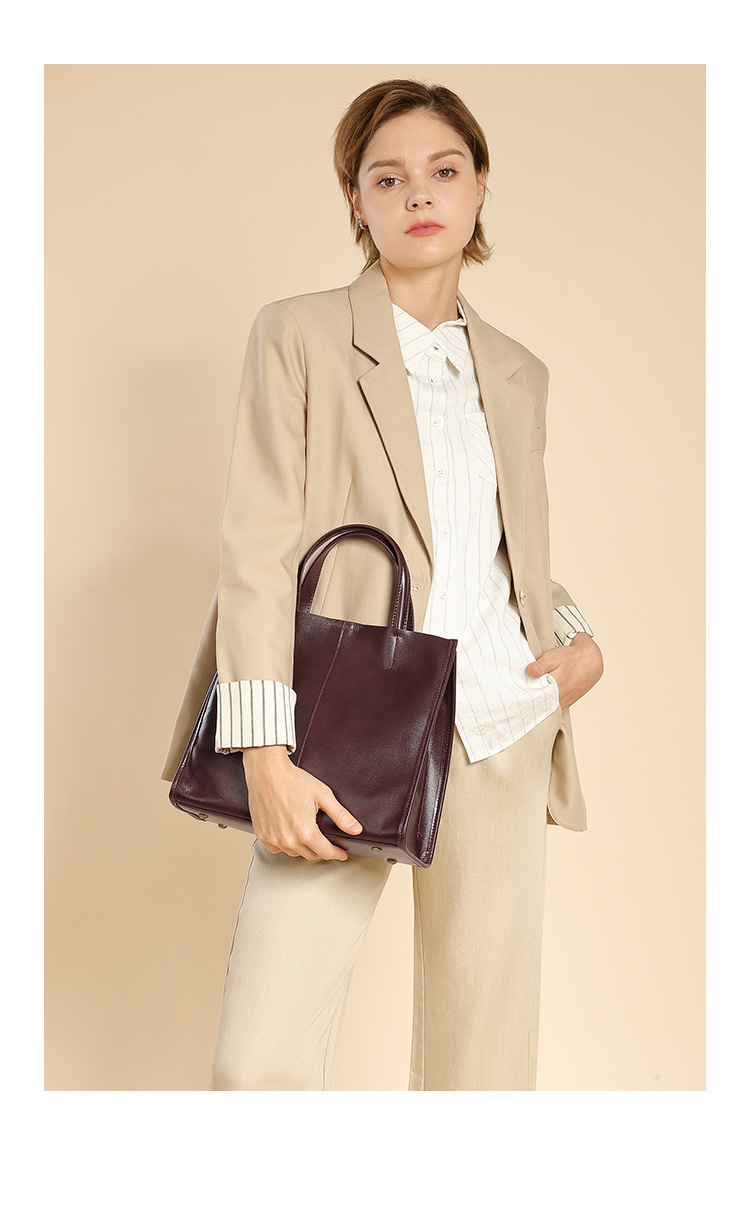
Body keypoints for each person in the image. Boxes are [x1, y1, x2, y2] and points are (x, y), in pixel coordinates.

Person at [160, 78, 604, 1091]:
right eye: (389, 177)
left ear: (480, 185)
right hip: (346, 726)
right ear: (356, 200)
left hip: (499, 720)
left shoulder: (519, 372)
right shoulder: (300, 334)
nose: (420, 194)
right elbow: (258, 545)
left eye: (444, 171)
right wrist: (264, 751)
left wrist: (580, 637)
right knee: (260, 1060)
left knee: (481, 1074)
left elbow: (508, 548)